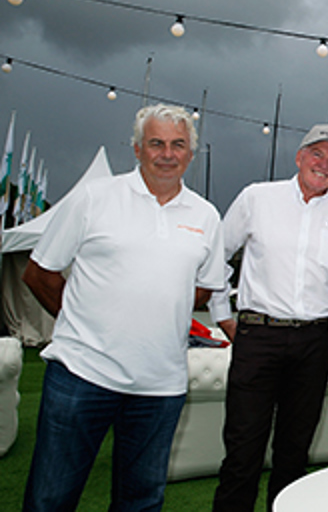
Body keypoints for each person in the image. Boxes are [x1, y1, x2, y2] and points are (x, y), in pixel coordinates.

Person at [21, 104, 226, 511]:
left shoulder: (205, 216)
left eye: (177, 145)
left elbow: (202, 289)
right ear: (137, 149)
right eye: (156, 143)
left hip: (160, 386)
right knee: (51, 498)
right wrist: (83, 323)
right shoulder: (95, 198)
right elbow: (39, 273)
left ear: (190, 153)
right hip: (81, 375)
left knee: (141, 502)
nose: (167, 154)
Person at [212, 124, 328, 511]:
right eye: (317, 154)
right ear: (299, 156)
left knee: (295, 450)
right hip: (258, 336)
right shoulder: (257, 197)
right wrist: (224, 315)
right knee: (243, 448)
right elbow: (215, 257)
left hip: (315, 342)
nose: (323, 164)